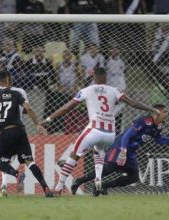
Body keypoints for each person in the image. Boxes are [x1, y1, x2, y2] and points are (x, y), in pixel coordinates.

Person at [42, 67, 160, 195]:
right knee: (98, 153)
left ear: (93, 77)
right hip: (110, 134)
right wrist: (151, 109)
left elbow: (67, 107)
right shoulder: (114, 91)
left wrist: (48, 119)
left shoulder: (87, 90)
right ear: (106, 77)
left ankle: (59, 188)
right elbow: (132, 103)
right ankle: (98, 180)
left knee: (73, 155)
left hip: (94, 129)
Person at [70, 104, 169, 196]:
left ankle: (103, 186)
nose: (167, 113)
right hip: (120, 146)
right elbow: (127, 135)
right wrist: (123, 151)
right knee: (110, 167)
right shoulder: (143, 122)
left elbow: (159, 140)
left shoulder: (159, 126)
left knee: (134, 176)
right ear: (156, 113)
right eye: (164, 111)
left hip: (132, 152)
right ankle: (79, 180)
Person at [0, 70, 53, 197]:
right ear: (7, 80)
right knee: (30, 162)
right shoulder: (17, 93)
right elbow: (28, 108)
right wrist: (37, 124)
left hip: (5, 132)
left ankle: (17, 175)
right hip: (20, 131)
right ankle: (46, 188)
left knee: (0, 162)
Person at [0, 86, 29, 196]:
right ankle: (4, 187)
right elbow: (26, 109)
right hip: (18, 130)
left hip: (2, 129)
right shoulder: (20, 91)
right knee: (5, 159)